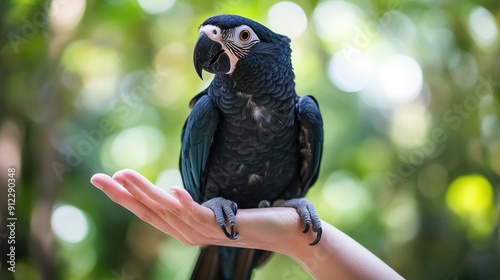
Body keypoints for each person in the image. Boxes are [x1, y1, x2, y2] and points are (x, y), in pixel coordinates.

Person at [91, 169, 404, 280]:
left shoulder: (303, 115)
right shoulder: (210, 107)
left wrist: (294, 224)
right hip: (215, 211)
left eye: (241, 37)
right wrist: (207, 203)